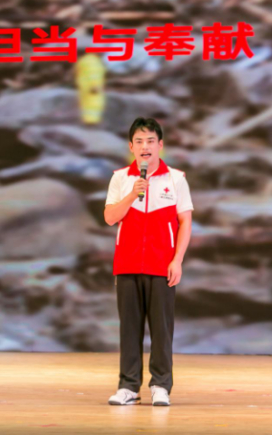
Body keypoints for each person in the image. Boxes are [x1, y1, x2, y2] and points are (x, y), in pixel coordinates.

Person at [104, 117, 193, 406]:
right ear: (131, 147)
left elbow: (185, 222)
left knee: (161, 329)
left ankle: (161, 385)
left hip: (161, 265)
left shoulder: (176, 178)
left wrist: (177, 260)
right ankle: (128, 386)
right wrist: (133, 193)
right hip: (127, 264)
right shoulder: (120, 178)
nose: (145, 146)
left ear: (160, 145)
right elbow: (110, 217)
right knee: (129, 328)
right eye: (139, 141)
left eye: (151, 141)